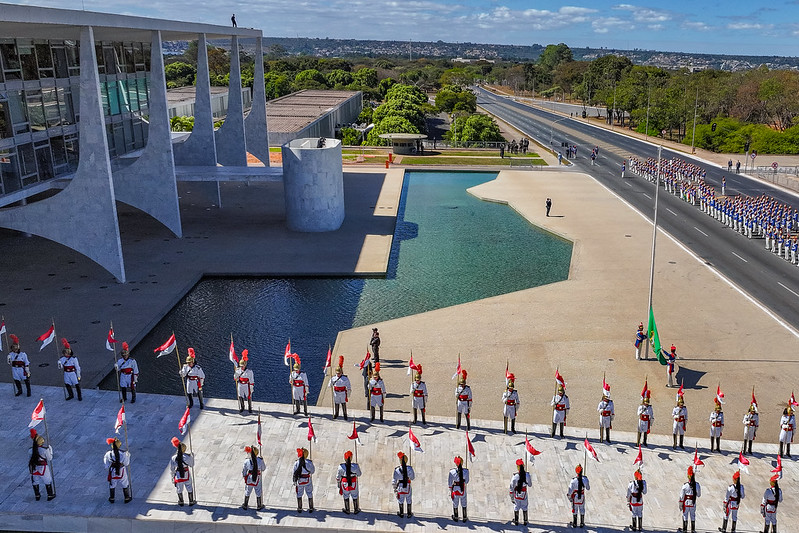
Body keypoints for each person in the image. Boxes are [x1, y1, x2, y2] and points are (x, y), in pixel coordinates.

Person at [28, 429, 55, 501]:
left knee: (35, 481)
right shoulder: (44, 450)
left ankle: (37, 495)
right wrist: (50, 451)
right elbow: (49, 458)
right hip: (43, 468)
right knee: (47, 480)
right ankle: (50, 495)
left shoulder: (30, 450)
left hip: (34, 467)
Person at [104, 437, 132, 503]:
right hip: (121, 470)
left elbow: (106, 463)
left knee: (112, 484)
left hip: (113, 471)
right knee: (124, 483)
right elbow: (126, 463)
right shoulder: (123, 454)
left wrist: (108, 467)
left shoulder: (108, 454)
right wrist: (128, 456)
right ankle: (127, 498)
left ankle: (112, 498)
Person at [170, 436, 195, 506]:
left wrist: (172, 477)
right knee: (189, 487)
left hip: (178, 476)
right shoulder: (187, 457)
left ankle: (181, 501)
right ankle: (191, 501)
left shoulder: (173, 458)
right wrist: (192, 457)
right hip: (186, 474)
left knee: (179, 489)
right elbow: (192, 465)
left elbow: (172, 469)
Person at [241, 445, 265, 510]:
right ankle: (259, 505)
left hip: (249, 477)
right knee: (258, 491)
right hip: (257, 478)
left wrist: (244, 477)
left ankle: (245, 504)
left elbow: (244, 471)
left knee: (248, 490)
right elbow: (263, 468)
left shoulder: (246, 461)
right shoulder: (260, 460)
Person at [337, 450, 361, 514]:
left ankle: (347, 509)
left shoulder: (340, 467)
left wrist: (339, 484)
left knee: (346, 495)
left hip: (345, 483)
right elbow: (359, 474)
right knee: (355, 495)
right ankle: (356, 509)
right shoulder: (355, 466)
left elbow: (338, 477)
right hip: (353, 483)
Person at [509, 458, 531, 526]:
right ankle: (525, 521)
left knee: (516, 506)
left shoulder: (515, 477)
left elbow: (511, 488)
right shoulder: (527, 475)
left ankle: (516, 521)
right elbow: (530, 485)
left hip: (517, 494)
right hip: (524, 494)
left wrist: (512, 497)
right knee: (525, 507)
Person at [678, 466, 701, 533]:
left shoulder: (685, 485)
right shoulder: (697, 485)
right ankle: (693, 530)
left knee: (685, 516)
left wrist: (680, 504)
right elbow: (699, 495)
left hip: (686, 503)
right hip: (693, 503)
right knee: (693, 516)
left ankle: (685, 530)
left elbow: (681, 496)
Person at [567, 464, 590, 528]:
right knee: (582, 508)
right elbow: (588, 488)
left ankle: (574, 523)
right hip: (582, 496)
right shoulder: (585, 479)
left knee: (575, 508)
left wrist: (569, 497)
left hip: (575, 497)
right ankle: (582, 523)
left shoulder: (573, 481)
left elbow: (570, 491)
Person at [393, 451, 415, 517]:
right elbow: (413, 478)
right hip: (407, 486)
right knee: (409, 499)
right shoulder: (410, 469)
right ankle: (409, 513)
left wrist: (394, 488)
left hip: (400, 487)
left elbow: (394, 480)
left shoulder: (397, 470)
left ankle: (401, 513)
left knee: (400, 500)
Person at [293, 447, 315, 513]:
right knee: (309, 492)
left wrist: (294, 480)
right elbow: (313, 471)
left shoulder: (297, 463)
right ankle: (311, 507)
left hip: (300, 480)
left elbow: (294, 472)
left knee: (299, 493)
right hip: (307, 480)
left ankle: (299, 507)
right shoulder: (309, 463)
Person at [449, 456, 469, 522]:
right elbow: (467, 481)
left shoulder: (452, 472)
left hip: (455, 489)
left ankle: (456, 517)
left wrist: (451, 490)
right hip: (462, 489)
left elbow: (449, 483)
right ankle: (465, 517)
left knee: (455, 503)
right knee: (464, 503)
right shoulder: (466, 472)